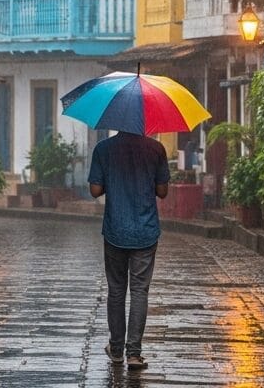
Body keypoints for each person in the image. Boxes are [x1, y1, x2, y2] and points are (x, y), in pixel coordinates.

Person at [88, 129, 170, 371]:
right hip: (145, 231)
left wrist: (112, 181)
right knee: (139, 291)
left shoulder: (103, 149)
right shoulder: (156, 149)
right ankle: (134, 354)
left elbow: (95, 190)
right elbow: (163, 192)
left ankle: (116, 349)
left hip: (115, 229)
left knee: (116, 291)